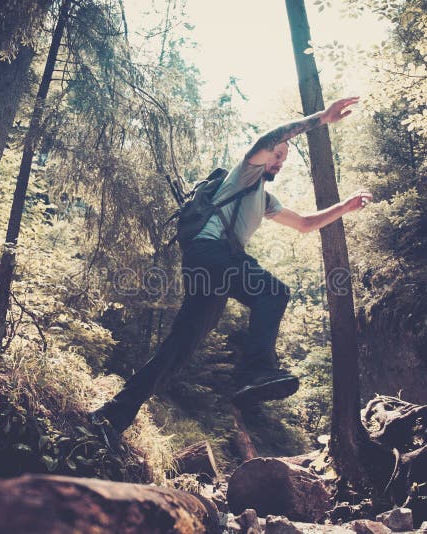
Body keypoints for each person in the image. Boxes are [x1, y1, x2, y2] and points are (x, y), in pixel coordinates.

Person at [91, 97, 372, 452]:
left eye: (284, 158)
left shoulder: (265, 199)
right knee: (273, 292)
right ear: (266, 153)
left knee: (177, 352)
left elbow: (304, 224)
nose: (280, 161)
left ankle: (109, 418)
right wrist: (320, 118)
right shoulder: (246, 173)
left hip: (210, 266)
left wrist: (345, 206)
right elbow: (266, 141)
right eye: (278, 155)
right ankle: (255, 369)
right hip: (210, 254)